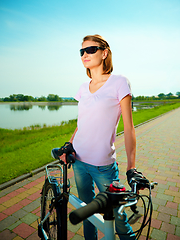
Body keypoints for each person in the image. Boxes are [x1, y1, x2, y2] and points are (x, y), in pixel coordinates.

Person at [62, 34, 139, 240]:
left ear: (104, 53)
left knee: (118, 219)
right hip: (78, 162)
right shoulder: (82, 88)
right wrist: (69, 145)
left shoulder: (119, 82)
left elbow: (129, 128)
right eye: (82, 51)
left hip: (103, 165)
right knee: (87, 213)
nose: (84, 54)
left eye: (90, 50)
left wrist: (131, 167)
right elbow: (81, 125)